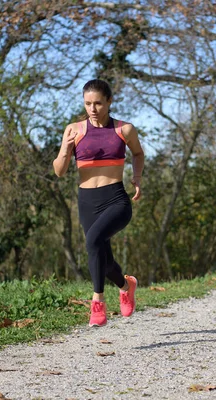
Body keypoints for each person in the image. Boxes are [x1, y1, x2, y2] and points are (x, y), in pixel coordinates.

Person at [53, 79, 144, 327]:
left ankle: (98, 302)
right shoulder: (74, 130)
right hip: (87, 201)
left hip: (116, 199)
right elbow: (60, 171)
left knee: (92, 241)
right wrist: (65, 149)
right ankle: (127, 285)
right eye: (87, 104)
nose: (92, 109)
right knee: (102, 259)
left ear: (109, 101)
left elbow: (138, 153)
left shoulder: (124, 130)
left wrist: (136, 178)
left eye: (98, 103)